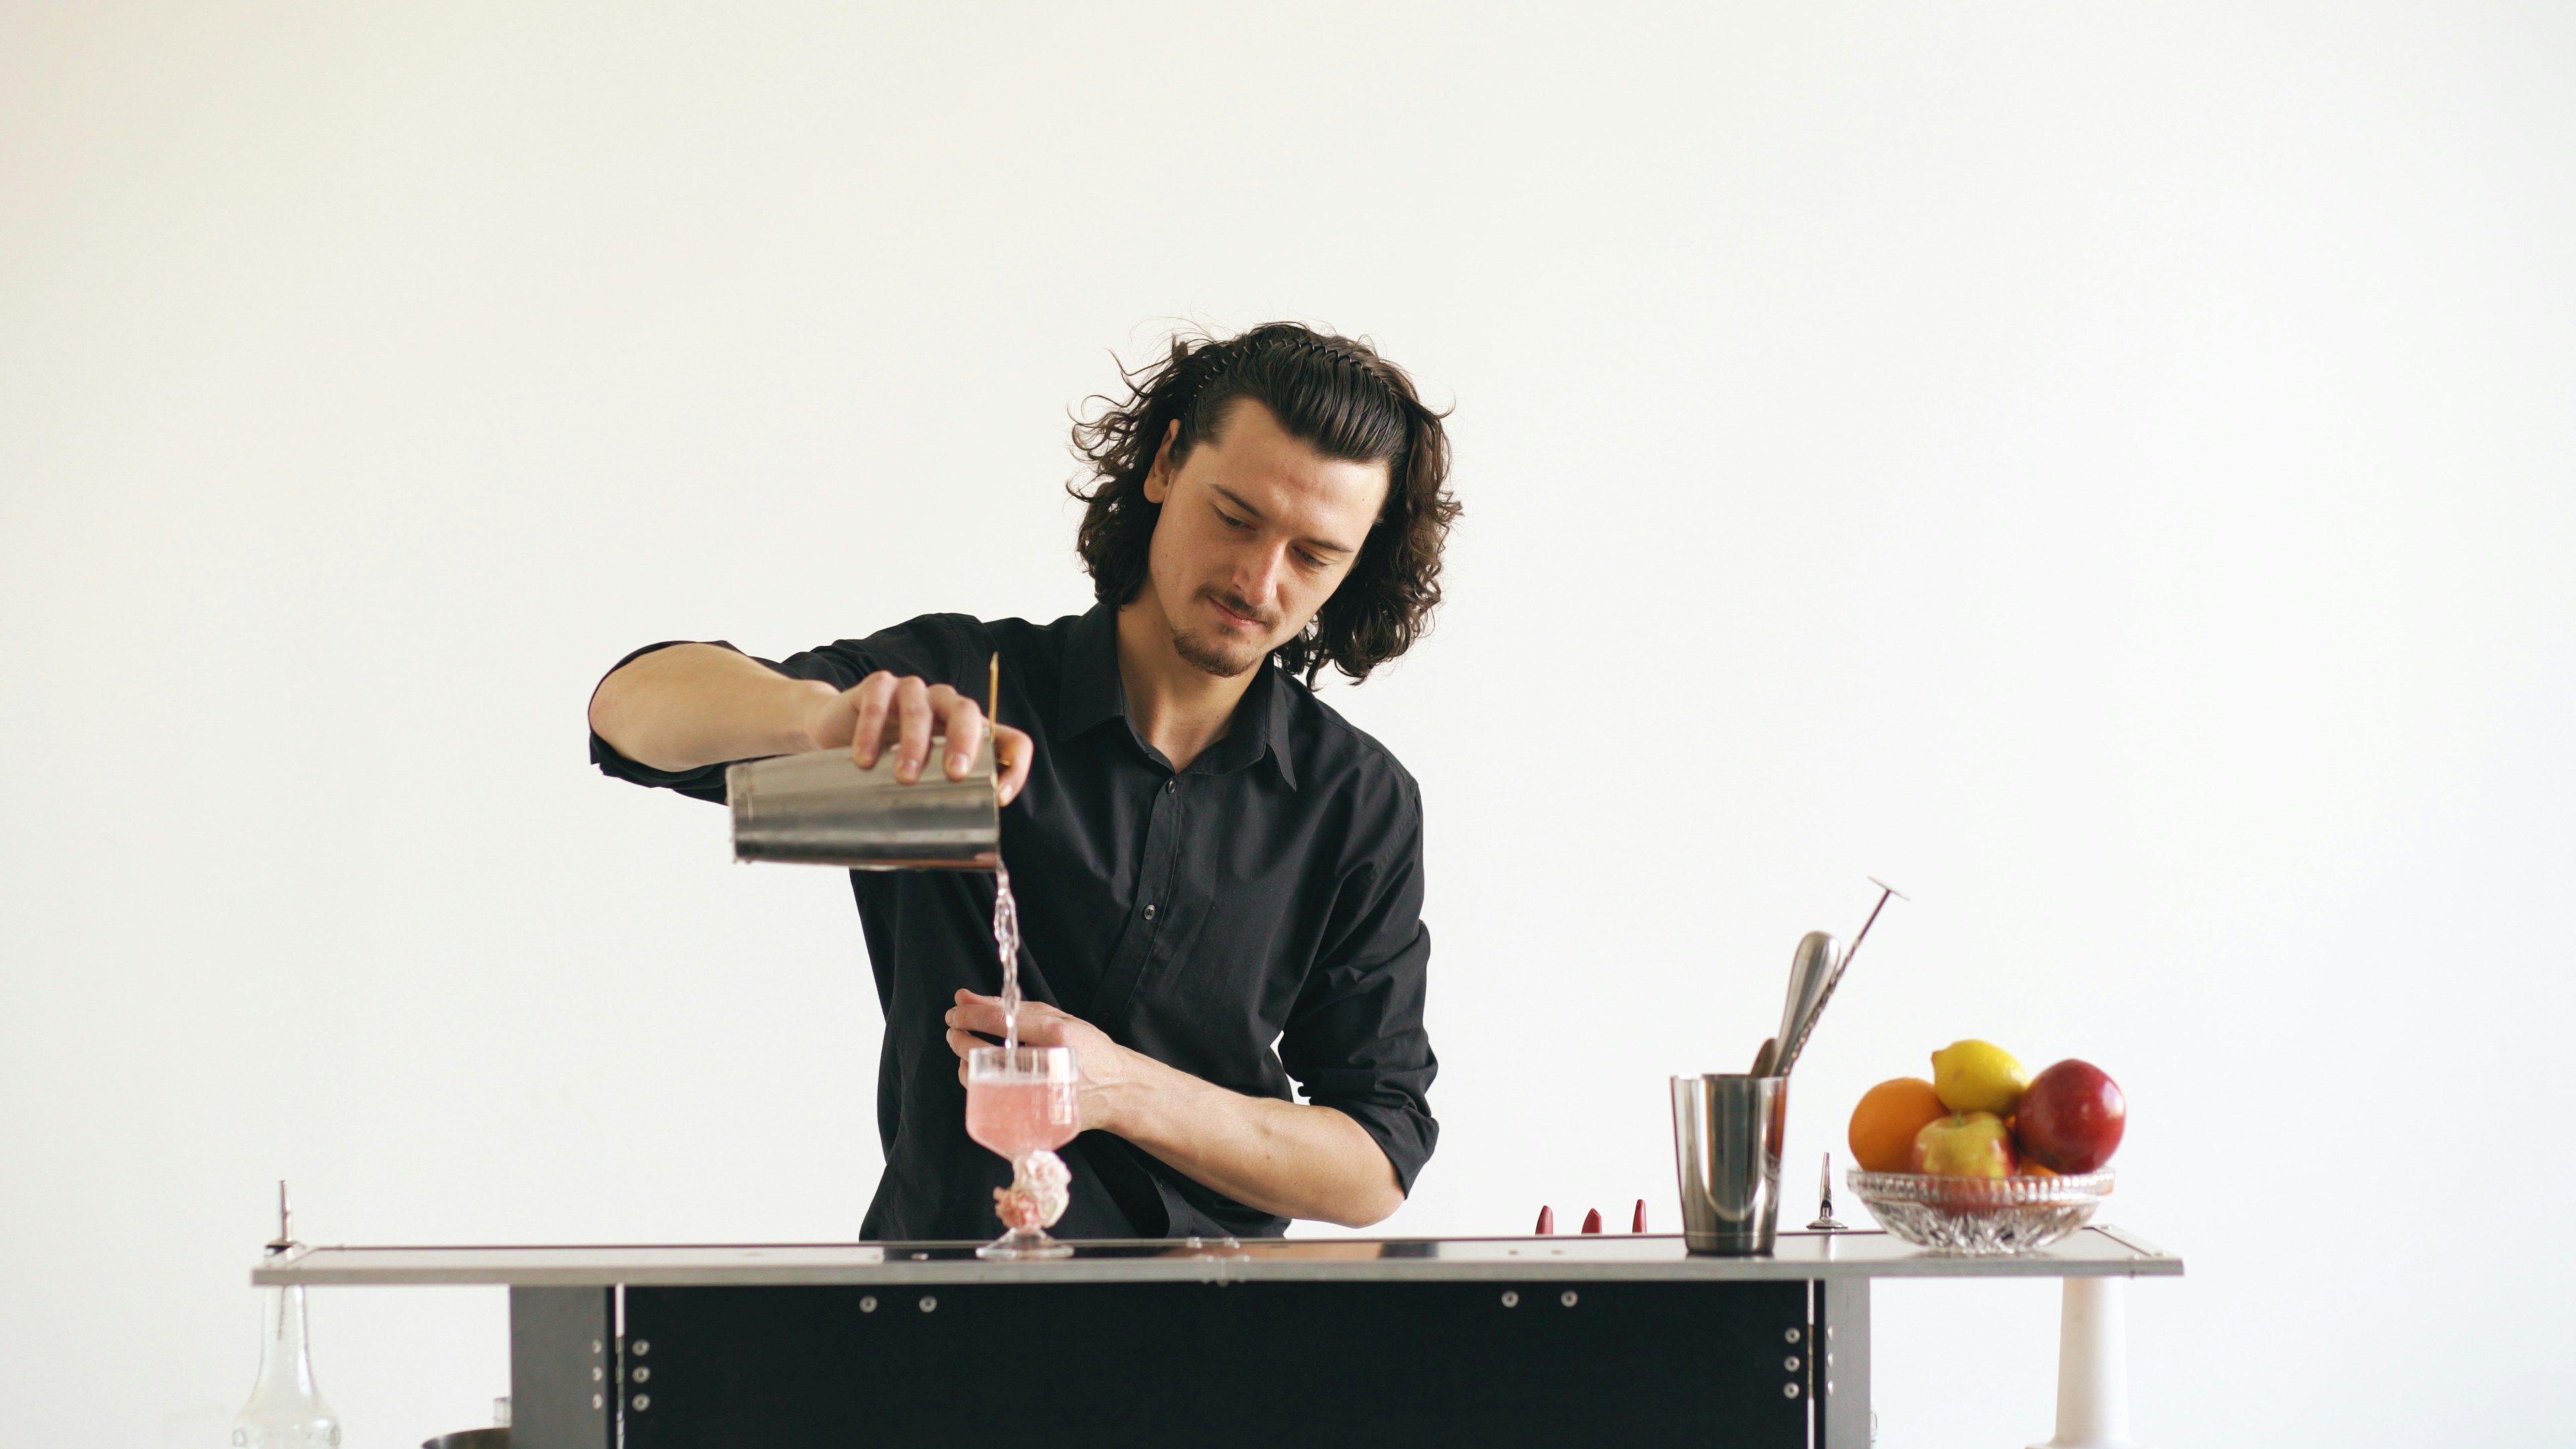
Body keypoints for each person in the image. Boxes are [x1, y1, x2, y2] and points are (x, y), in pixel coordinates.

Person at [586, 323, 1459, 1241]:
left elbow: (1375, 1162)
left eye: (1314, 555)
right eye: (1235, 518)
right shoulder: (968, 692)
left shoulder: (1356, 801)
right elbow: (628, 713)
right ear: (1166, 465)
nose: (1258, 577)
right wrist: (819, 719)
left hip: (1220, 1341)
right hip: (948, 1326)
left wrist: (1118, 1089)